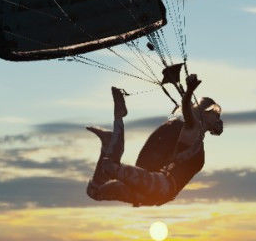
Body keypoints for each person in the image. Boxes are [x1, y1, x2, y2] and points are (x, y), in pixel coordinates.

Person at [85, 73, 223, 207]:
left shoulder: (196, 135)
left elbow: (187, 108)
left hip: (159, 188)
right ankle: (108, 143)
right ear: (203, 114)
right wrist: (189, 91)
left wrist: (190, 91)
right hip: (156, 190)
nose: (218, 116)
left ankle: (114, 131)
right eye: (215, 112)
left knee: (110, 167)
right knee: (94, 192)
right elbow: (187, 108)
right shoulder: (192, 128)